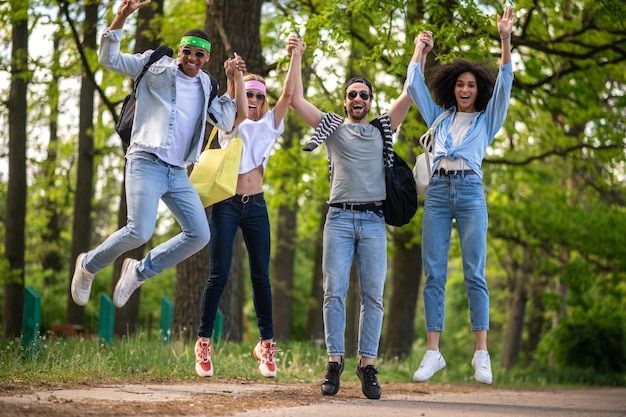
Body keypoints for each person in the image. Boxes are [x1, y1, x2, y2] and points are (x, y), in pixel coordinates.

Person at [70, 0, 248, 309]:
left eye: (199, 54)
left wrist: (234, 78)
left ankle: (138, 271)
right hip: (145, 161)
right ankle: (88, 266)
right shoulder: (155, 64)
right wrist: (120, 17)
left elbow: (228, 119)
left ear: (206, 58)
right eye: (187, 51)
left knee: (199, 234)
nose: (191, 58)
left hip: (177, 171)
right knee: (139, 230)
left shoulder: (208, 85)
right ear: (180, 51)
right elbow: (109, 59)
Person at [285, 36, 415, 400]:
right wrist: (297, 55)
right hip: (339, 221)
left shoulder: (382, 129)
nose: (358, 99)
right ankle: (334, 361)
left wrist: (419, 52)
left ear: (371, 102)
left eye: (364, 95)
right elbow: (294, 100)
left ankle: (367, 365)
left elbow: (409, 90)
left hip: (373, 221)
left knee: (373, 296)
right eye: (352, 95)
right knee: (334, 293)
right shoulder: (333, 128)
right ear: (345, 101)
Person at [407, 7, 516, 385]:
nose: (465, 90)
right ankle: (433, 353)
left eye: (471, 85)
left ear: (478, 89)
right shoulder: (438, 118)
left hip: (470, 192)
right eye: (460, 85)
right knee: (433, 272)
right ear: (452, 87)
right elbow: (413, 87)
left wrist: (504, 38)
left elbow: (506, 80)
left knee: (475, 273)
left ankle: (481, 354)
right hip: (437, 193)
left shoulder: (488, 119)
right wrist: (421, 50)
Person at [194, 68, 297, 379]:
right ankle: (203, 342)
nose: (252, 99)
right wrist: (236, 77)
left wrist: (296, 55)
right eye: (249, 93)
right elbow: (237, 105)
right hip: (226, 205)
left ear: (265, 101)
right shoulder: (231, 122)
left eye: (258, 95)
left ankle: (266, 345)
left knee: (260, 278)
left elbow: (290, 96)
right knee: (219, 274)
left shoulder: (269, 125)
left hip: (256, 207)